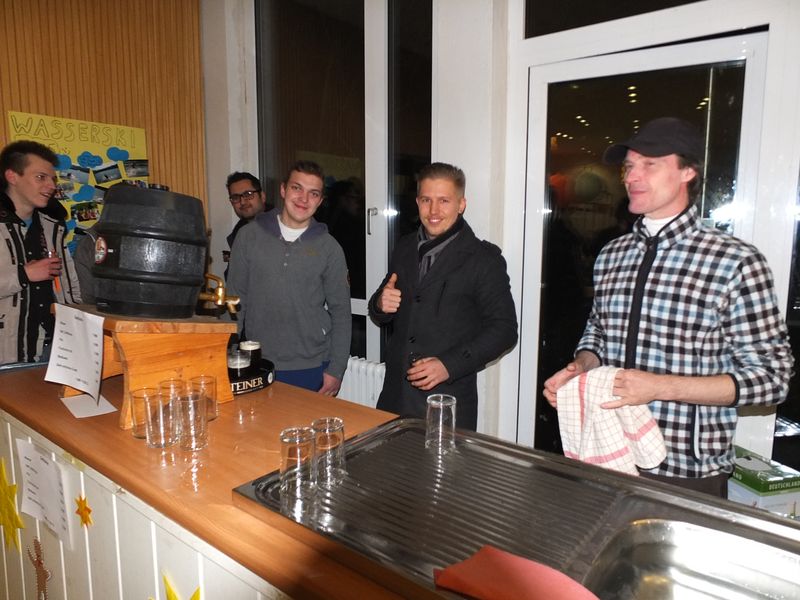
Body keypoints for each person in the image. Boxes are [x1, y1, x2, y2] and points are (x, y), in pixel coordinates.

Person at [543, 117, 794, 497]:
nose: (632, 176)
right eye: (629, 166)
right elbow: (598, 332)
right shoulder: (613, 254)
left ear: (688, 171)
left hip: (684, 468)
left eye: (650, 164)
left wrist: (660, 386)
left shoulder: (735, 261)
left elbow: (772, 379)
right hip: (607, 451)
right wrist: (581, 368)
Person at [368, 162, 518, 430]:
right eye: (426, 200)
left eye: (444, 201)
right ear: (417, 202)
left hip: (447, 403)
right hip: (393, 398)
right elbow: (382, 304)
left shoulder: (484, 259)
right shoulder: (404, 246)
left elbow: (505, 330)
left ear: (461, 204)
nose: (434, 211)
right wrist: (380, 303)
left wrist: (449, 365)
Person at [227, 160, 350, 395]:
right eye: (297, 188)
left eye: (313, 193)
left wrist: (336, 369)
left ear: (320, 201)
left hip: (312, 365)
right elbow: (234, 302)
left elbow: (341, 313)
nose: (304, 199)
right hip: (257, 361)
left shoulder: (330, 248)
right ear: (283, 190)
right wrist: (223, 353)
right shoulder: (248, 237)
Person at [0, 140, 82, 364]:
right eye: (40, 177)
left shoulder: (52, 226)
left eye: (53, 179)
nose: (51, 186)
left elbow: (70, 284)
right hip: (8, 353)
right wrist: (24, 274)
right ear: (12, 176)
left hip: (56, 348)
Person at [223, 171, 268, 279]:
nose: (242, 202)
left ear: (262, 196)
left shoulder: (282, 228)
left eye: (248, 194)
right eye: (235, 197)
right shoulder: (238, 235)